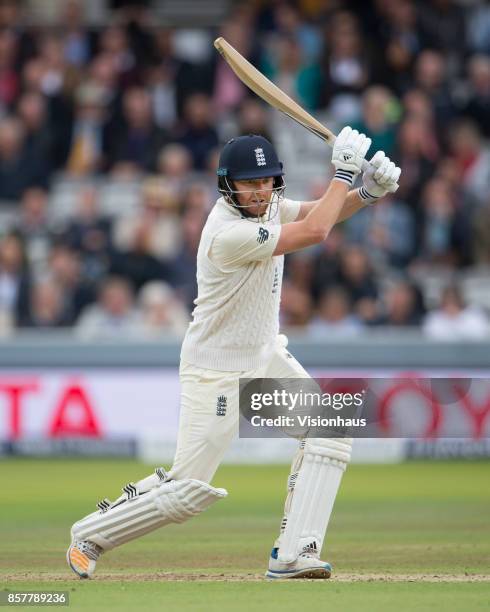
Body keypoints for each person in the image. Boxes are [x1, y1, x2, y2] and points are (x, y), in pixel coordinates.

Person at [67, 129, 400, 580]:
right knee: (186, 489)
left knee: (330, 430)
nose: (261, 191)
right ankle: (91, 534)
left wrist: (367, 191)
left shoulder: (269, 205)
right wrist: (342, 170)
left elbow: (321, 212)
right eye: (250, 183)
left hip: (264, 356)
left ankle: (294, 554)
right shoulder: (227, 233)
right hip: (216, 372)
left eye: (267, 181)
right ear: (228, 186)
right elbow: (315, 230)